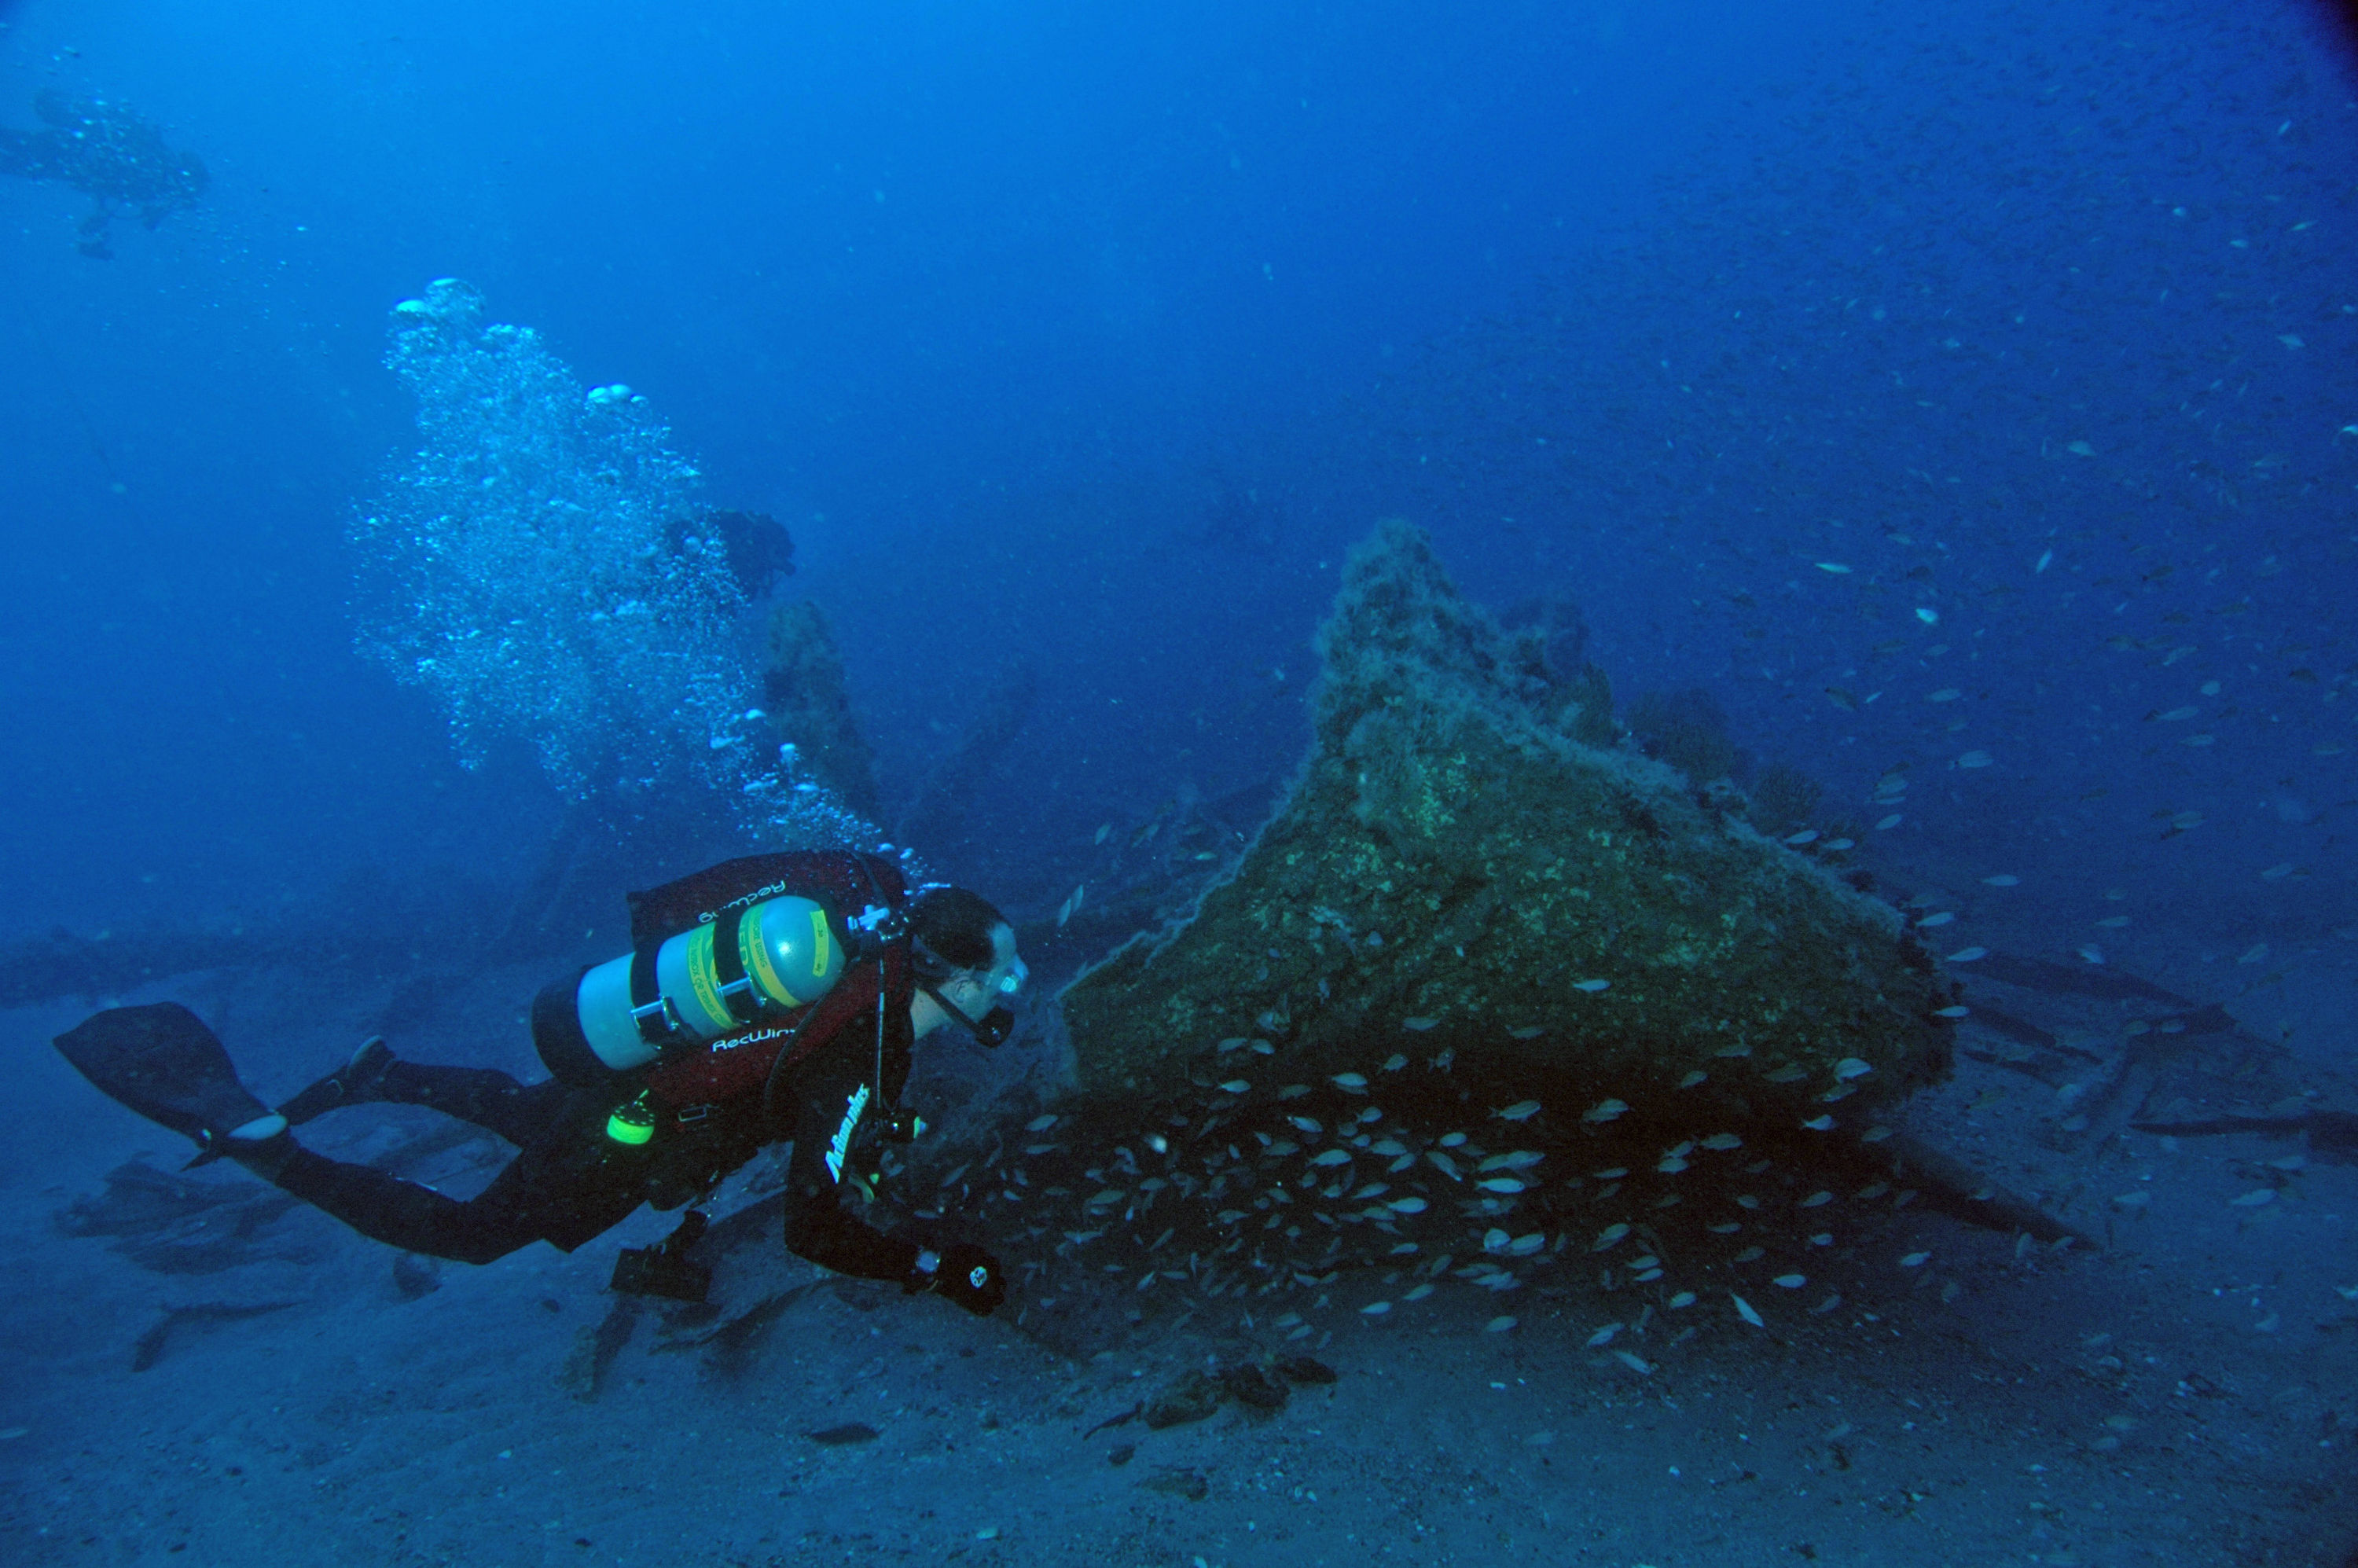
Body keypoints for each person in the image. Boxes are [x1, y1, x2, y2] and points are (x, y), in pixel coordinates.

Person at [53, 850, 1021, 1316]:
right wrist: (929, 1268)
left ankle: (383, 1072)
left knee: (530, 1109)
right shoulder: (868, 1049)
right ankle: (279, 1158)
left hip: (633, 1073)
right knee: (472, 1234)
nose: (1015, 983)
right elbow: (812, 1227)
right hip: (631, 1132)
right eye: (1004, 971)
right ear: (956, 981)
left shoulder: (853, 960)